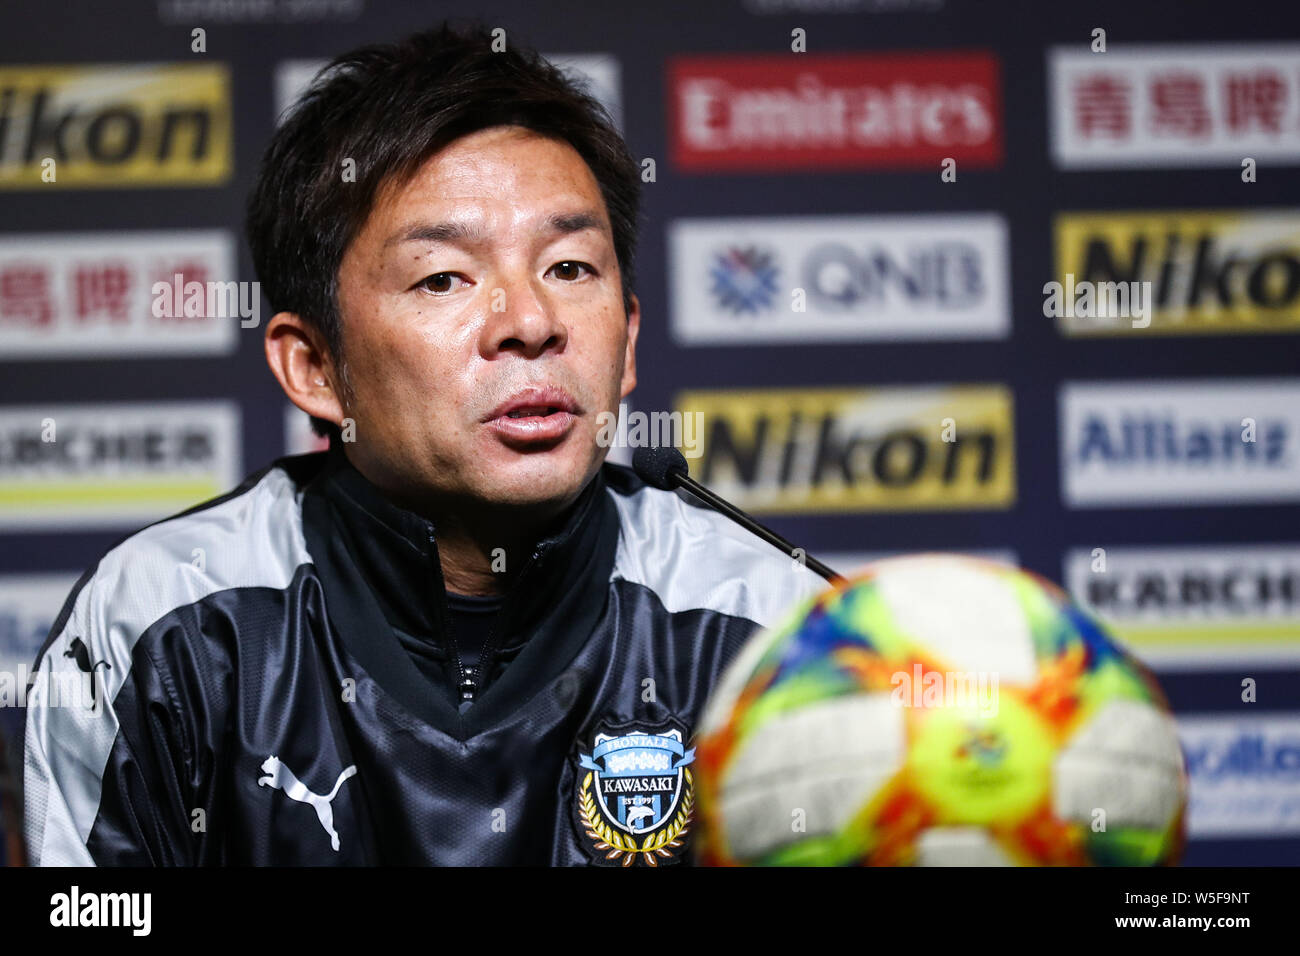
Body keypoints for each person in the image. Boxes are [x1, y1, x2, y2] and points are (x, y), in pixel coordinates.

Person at [22, 22, 824, 866]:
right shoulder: (164, 624)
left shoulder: (770, 630)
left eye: (570, 267)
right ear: (315, 366)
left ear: (627, 341)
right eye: (444, 277)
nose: (530, 323)